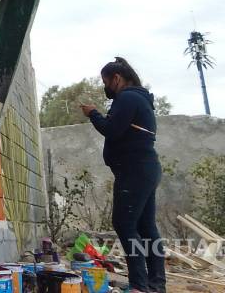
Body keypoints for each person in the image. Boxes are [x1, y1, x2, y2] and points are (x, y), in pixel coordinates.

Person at [81, 57, 166, 293]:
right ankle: (156, 285)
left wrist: (93, 114)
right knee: (146, 226)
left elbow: (112, 129)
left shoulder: (127, 98)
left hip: (134, 169)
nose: (105, 87)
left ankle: (140, 285)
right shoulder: (140, 99)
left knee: (125, 223)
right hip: (144, 168)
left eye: (105, 81)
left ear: (116, 79)